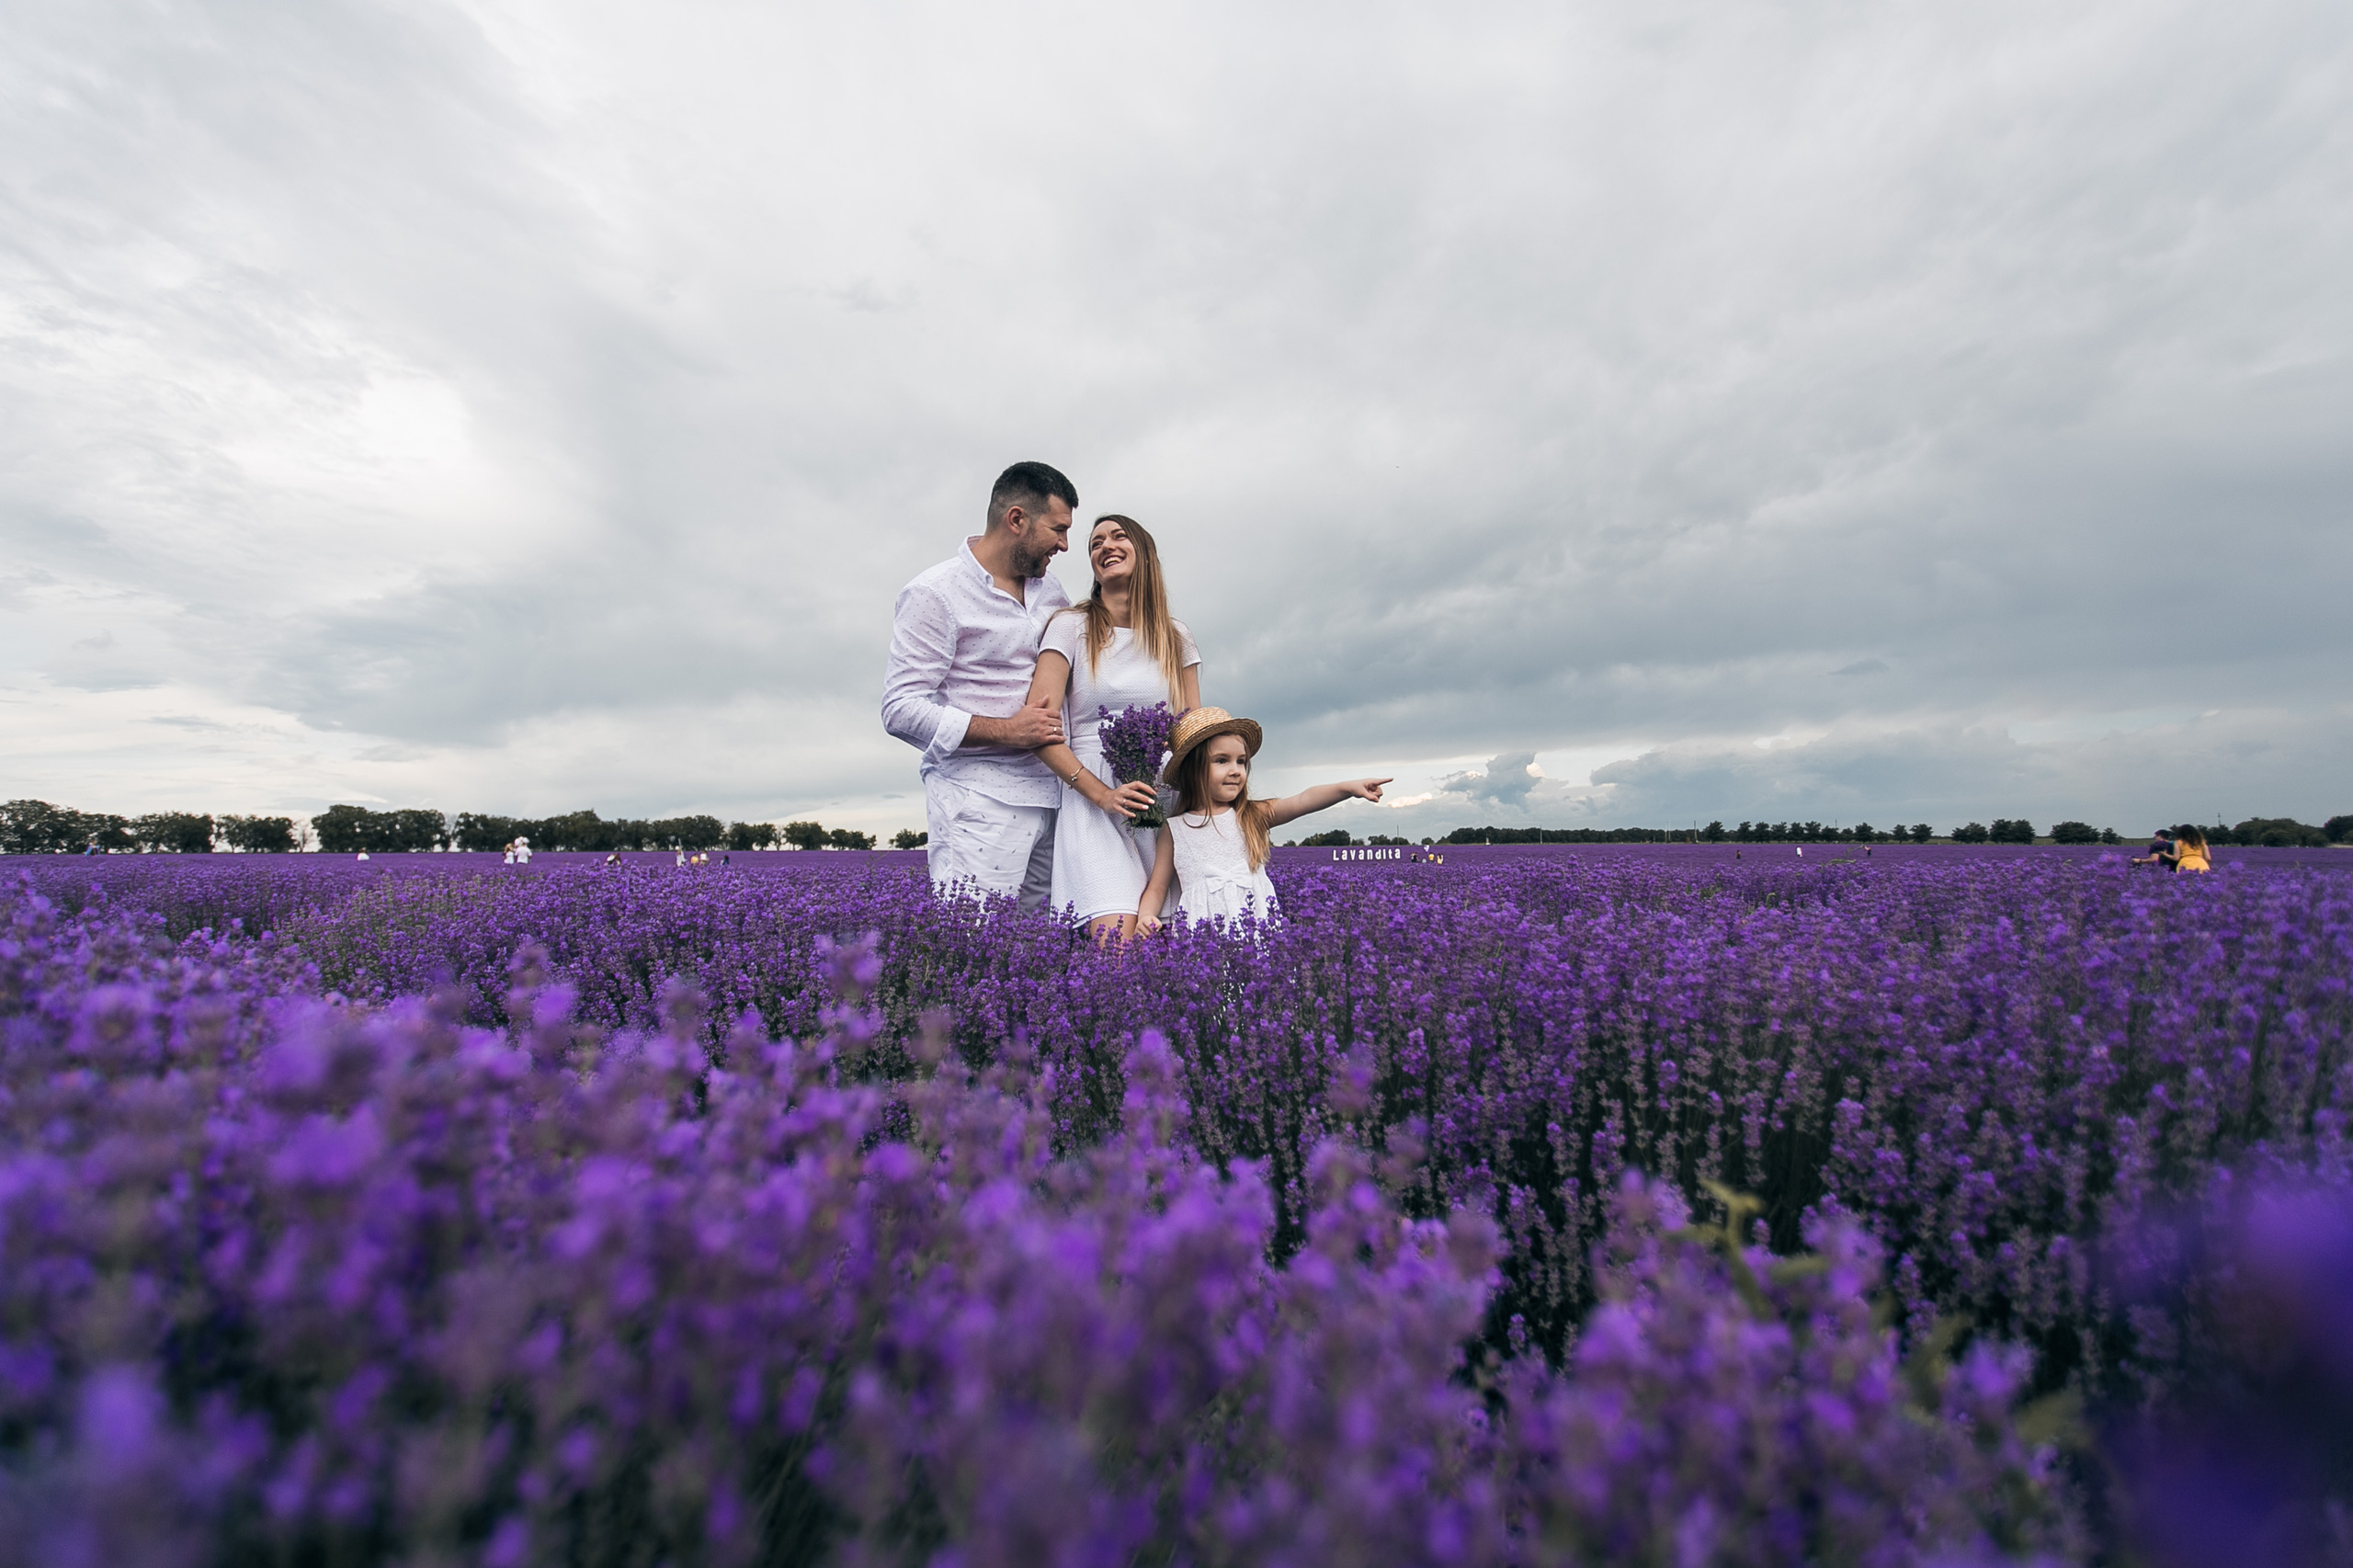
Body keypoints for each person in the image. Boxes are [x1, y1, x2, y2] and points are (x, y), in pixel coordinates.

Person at [881, 461, 1078, 908]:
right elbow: (900, 708)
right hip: (979, 800)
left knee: (1036, 956)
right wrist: (1008, 731)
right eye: (1058, 529)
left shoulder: (1051, 591)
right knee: (977, 948)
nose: (1065, 545)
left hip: (1055, 796)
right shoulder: (935, 593)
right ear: (1016, 520)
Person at [1019, 513, 1200, 941]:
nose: (1106, 546)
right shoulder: (1070, 627)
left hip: (1161, 801)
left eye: (1119, 537)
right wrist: (1102, 795)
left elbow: (1194, 731)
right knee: (1116, 949)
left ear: (1146, 554)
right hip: (1093, 802)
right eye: (1096, 542)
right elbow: (1038, 729)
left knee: (1164, 946)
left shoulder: (1175, 637)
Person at [1134, 708, 1390, 930]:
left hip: (1256, 924)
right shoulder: (1175, 828)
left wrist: (1347, 788)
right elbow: (1157, 887)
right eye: (1222, 761)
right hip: (1203, 933)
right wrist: (1146, 916)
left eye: (1241, 762)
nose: (1236, 770)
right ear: (1192, 770)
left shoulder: (1250, 815)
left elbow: (1302, 800)